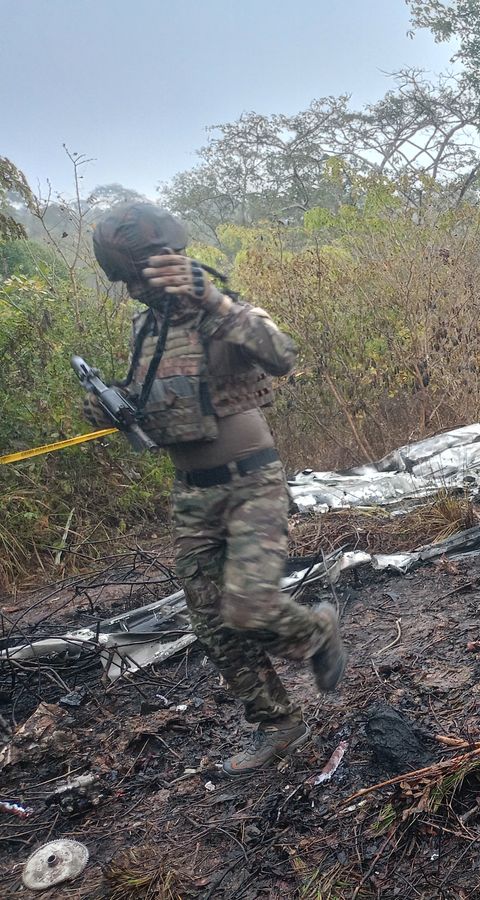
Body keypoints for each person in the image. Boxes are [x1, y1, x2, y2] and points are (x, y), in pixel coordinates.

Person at [86, 202, 347, 775]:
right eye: (126, 279)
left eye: (139, 273)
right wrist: (115, 407)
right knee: (212, 622)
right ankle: (279, 724)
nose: (135, 288)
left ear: (168, 258)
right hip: (193, 494)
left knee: (249, 605)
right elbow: (158, 398)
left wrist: (214, 301)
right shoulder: (147, 329)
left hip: (251, 481)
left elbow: (281, 355)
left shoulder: (221, 309)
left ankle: (318, 632)